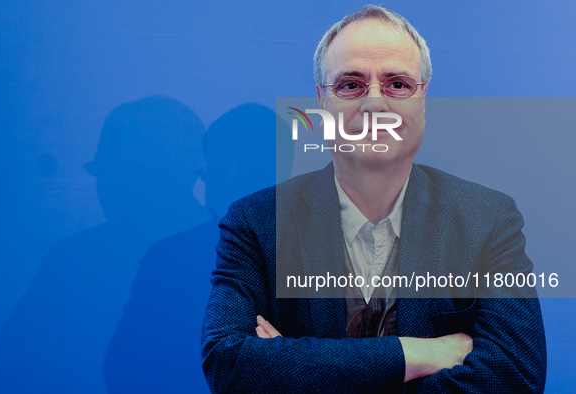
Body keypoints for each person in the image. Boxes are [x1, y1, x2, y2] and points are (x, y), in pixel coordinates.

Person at [201, 5, 546, 393]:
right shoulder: (257, 222)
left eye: (398, 84)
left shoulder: (488, 219)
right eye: (351, 85)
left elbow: (516, 376)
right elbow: (227, 364)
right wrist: (417, 355)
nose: (375, 105)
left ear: (424, 99)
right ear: (321, 101)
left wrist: (297, 369)